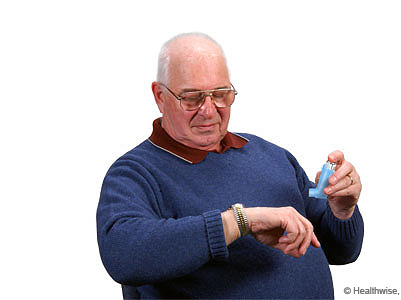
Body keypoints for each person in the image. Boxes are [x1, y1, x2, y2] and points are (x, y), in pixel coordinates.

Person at [97, 32, 364, 299]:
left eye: (221, 94)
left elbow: (341, 251)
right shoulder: (135, 173)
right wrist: (240, 222)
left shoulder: (270, 154)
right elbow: (123, 255)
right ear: (159, 96)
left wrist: (342, 211)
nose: (209, 110)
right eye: (192, 97)